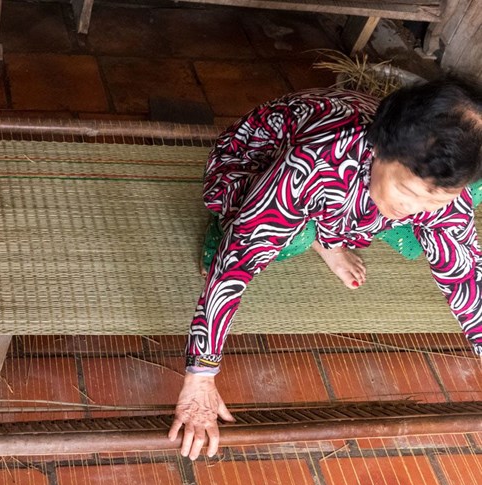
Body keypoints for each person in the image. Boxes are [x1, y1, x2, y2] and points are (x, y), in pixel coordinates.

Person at [170, 79, 482, 460]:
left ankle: (331, 234)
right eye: (409, 192)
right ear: (381, 149)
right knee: (274, 237)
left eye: (434, 199)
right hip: (252, 164)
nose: (417, 208)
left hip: (353, 188)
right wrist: (201, 374)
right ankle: (311, 236)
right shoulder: (315, 163)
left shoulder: (434, 183)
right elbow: (239, 259)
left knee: (437, 233)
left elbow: (466, 275)